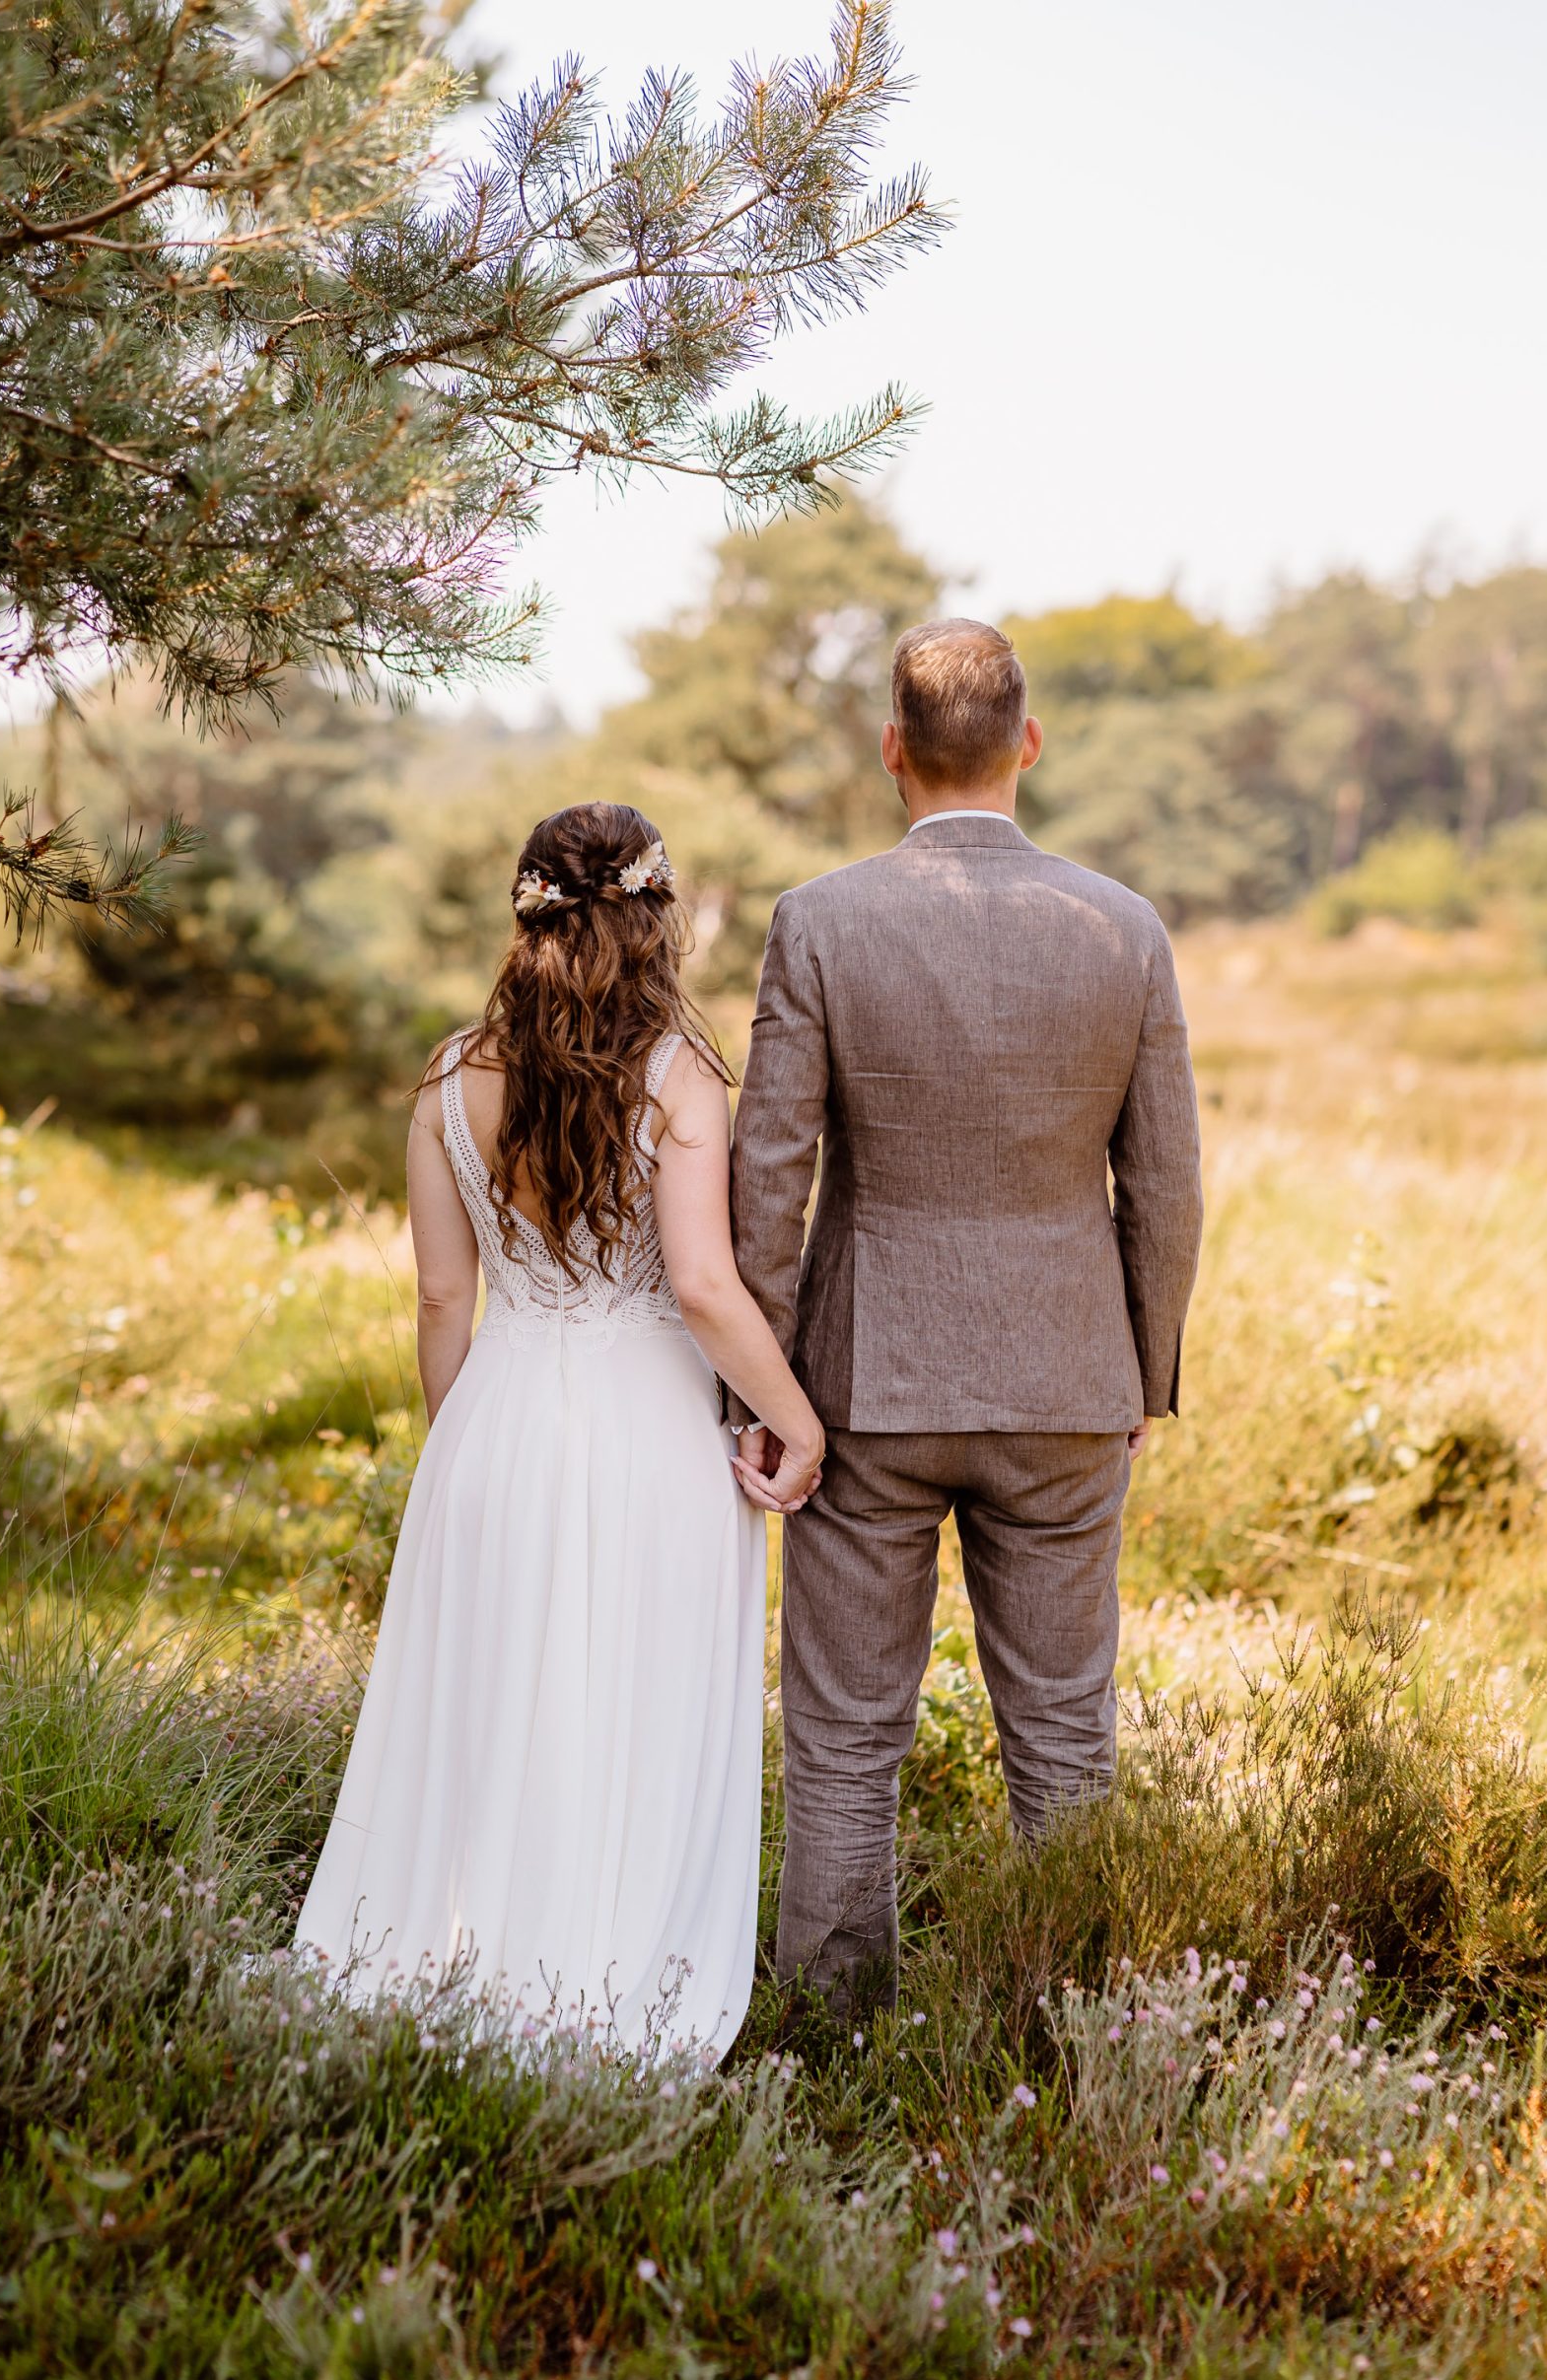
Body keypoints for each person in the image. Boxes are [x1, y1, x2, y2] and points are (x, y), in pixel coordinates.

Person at [294, 801, 823, 2060]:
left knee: (488, 1703)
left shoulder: (446, 1074)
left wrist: (467, 1440)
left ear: (526, 914)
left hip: (498, 1417)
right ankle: (600, 1982)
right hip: (648, 1433)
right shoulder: (681, 1075)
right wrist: (795, 1420)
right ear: (653, 918)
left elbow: (439, 1296)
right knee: (631, 1705)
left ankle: (453, 1962)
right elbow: (702, 1286)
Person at [730, 617, 1204, 2014]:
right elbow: (1164, 1181)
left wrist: (760, 1390)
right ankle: (1069, 2025)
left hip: (859, 1391)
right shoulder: (1125, 928)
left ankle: (829, 2029)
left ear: (893, 753)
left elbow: (769, 1171)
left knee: (840, 1738)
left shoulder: (815, 922)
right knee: (1063, 1739)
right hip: (1067, 1379)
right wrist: (1142, 1371)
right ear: (1027, 745)